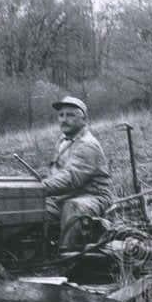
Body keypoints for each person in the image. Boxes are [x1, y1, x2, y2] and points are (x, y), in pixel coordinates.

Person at [42, 96, 114, 253]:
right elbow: (56, 174)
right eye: (61, 115)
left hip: (93, 196)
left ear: (83, 119)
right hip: (65, 195)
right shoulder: (64, 141)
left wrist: (38, 188)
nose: (64, 120)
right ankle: (36, 254)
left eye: (70, 115)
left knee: (74, 207)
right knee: (34, 208)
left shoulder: (88, 145)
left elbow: (70, 178)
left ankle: (68, 255)